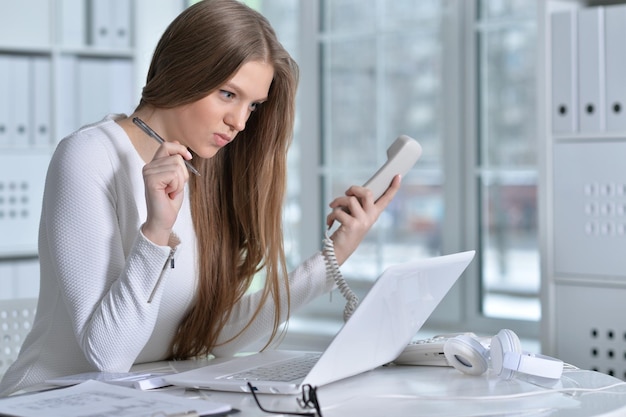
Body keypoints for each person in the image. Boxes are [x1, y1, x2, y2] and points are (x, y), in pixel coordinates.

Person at [0, 0, 400, 397]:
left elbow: (218, 336)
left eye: (253, 105)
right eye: (228, 94)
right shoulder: (88, 157)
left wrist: (333, 258)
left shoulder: (200, 168)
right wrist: (156, 232)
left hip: (140, 401)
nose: (240, 122)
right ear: (184, 72)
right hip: (46, 402)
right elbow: (110, 355)